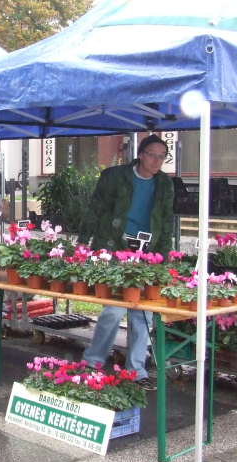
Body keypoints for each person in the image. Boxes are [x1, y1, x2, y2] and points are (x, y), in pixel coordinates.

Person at [77, 134, 174, 391]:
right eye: (152, 154)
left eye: (162, 156)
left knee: (143, 312)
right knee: (113, 309)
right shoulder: (115, 177)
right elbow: (94, 208)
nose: (157, 161)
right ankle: (93, 361)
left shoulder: (164, 183)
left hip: (147, 253)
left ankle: (137, 369)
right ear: (140, 154)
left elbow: (166, 221)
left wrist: (162, 256)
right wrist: (83, 242)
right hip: (114, 247)